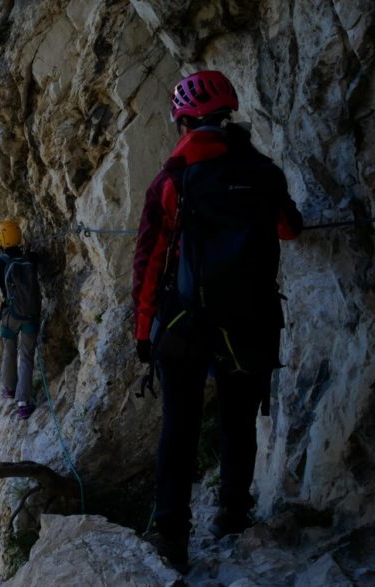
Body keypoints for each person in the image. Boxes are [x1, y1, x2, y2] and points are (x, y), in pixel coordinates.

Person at [132, 70, 302, 572]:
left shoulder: (172, 181)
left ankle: (172, 539)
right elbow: (289, 229)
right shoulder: (264, 172)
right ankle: (231, 513)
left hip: (186, 322)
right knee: (238, 419)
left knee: (179, 427)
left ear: (183, 120)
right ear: (229, 113)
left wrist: (144, 333)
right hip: (251, 318)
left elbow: (149, 262)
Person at [0, 219, 41, 420]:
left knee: (9, 351)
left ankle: (9, 388)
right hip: (30, 315)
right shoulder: (30, 259)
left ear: (1, 238)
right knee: (26, 356)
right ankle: (24, 402)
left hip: (9, 315)